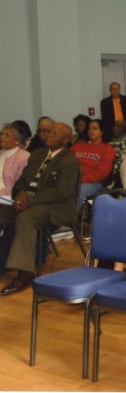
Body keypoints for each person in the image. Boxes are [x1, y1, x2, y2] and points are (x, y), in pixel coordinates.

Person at [0, 122, 80, 295]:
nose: (49, 135)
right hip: (29, 202)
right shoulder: (37, 154)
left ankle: (25, 274)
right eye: (49, 132)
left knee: (26, 217)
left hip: (57, 207)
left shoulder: (70, 162)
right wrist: (20, 193)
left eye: (54, 133)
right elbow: (21, 180)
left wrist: (29, 200)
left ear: (66, 139)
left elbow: (60, 193)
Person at [70, 119, 115, 204]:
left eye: (95, 128)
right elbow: (67, 163)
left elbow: (102, 173)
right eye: (89, 128)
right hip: (73, 180)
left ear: (101, 132)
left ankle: (72, 217)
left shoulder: (107, 149)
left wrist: (80, 180)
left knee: (78, 192)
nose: (91, 130)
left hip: (94, 183)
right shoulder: (77, 146)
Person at [0, 125, 31, 201]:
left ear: (17, 140)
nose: (2, 137)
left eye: (7, 135)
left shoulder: (24, 156)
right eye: (1, 134)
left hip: (9, 196)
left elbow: (18, 184)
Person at [108, 120, 126, 185]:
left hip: (118, 175)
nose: (114, 128)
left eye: (118, 127)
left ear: (124, 130)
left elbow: (122, 162)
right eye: (114, 126)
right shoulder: (109, 141)